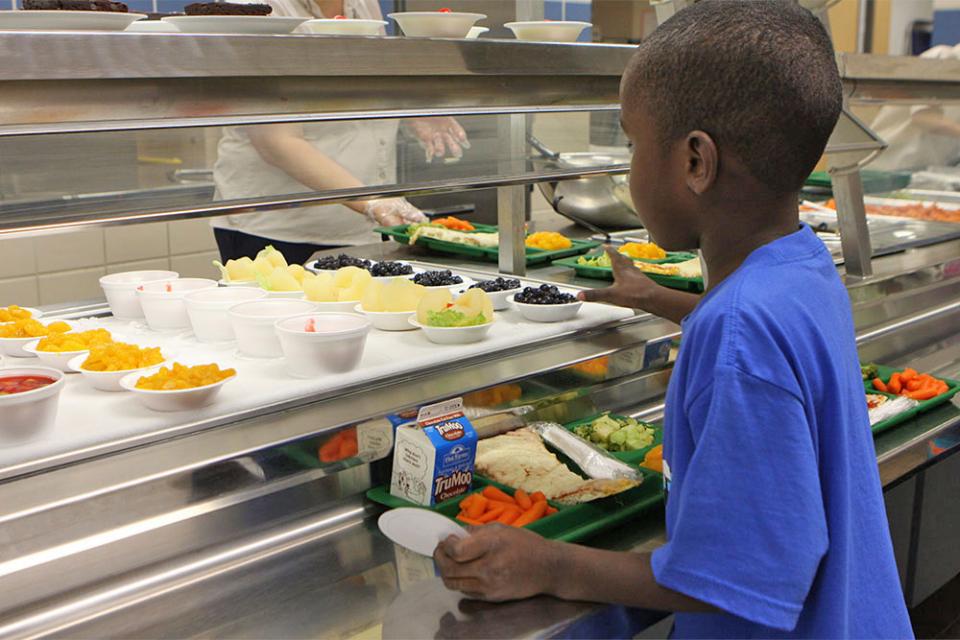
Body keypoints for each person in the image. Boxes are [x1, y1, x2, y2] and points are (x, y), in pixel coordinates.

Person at [433, 2, 914, 637]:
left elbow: (745, 575)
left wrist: (550, 564)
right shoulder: (799, 267)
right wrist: (668, 301)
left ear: (695, 161)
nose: (628, 165)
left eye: (632, 142)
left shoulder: (738, 332)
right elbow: (772, 346)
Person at [211, 0, 468, 265]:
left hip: (361, 224)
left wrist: (410, 107)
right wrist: (372, 201)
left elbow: (362, 85)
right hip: (277, 230)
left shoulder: (363, 4)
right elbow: (276, 141)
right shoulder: (255, 7)